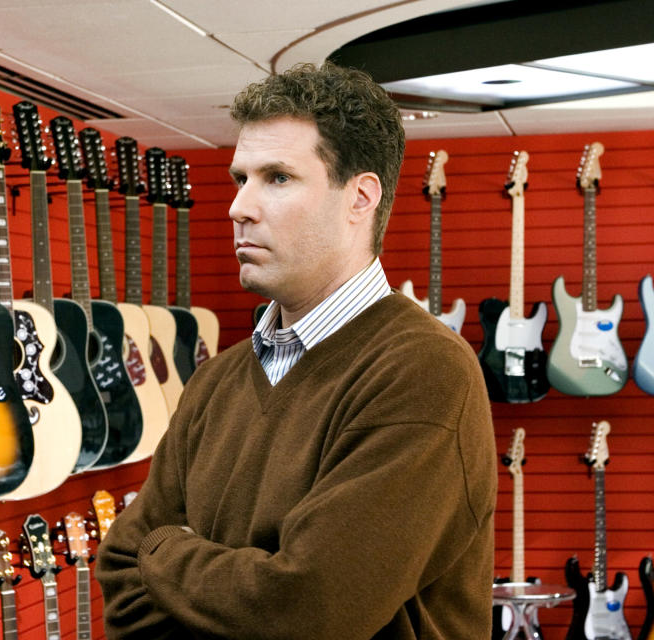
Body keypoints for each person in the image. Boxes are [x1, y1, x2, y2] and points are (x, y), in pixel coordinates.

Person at [95, 61, 497, 639]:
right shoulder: (218, 381)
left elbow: (312, 608)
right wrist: (236, 585)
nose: (239, 207)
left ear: (360, 198)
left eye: (277, 177)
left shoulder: (424, 371)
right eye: (241, 178)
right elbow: (120, 584)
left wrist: (160, 552)